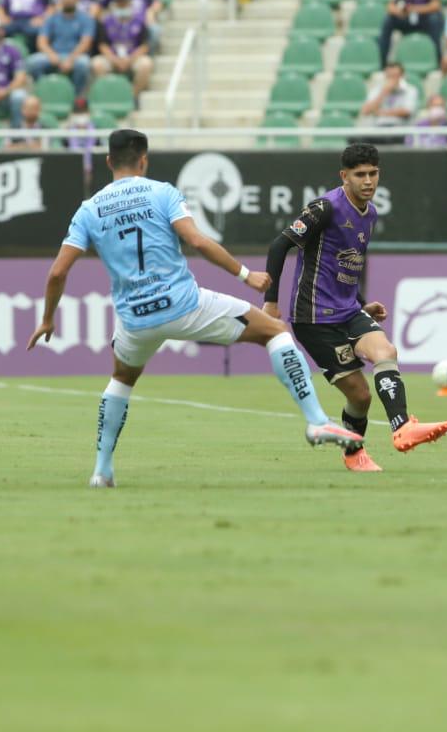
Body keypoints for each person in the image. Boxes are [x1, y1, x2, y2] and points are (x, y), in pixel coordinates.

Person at [28, 130, 360, 487]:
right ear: (144, 159)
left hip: (135, 320)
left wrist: (47, 318)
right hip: (185, 304)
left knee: (122, 379)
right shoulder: (162, 192)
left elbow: (58, 271)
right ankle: (315, 419)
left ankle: (101, 470)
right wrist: (246, 275)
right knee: (274, 331)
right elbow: (198, 240)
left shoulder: (89, 210)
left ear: (109, 162)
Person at [262, 144, 447, 473]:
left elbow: (347, 264)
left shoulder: (370, 213)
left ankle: (402, 427)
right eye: (360, 175)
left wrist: (364, 303)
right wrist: (271, 302)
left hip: (348, 310)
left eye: (373, 173)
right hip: (314, 318)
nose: (368, 181)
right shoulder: (325, 208)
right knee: (360, 397)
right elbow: (280, 245)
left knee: (385, 350)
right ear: (344, 177)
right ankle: (353, 453)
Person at [29, 0, 94, 97]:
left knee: (84, 63)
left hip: (75, 55)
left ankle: (75, 97)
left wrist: (71, 59)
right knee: (33, 63)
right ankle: (45, 93)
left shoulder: (86, 19)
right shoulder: (52, 18)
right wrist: (52, 56)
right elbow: (41, 41)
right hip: (54, 55)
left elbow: (85, 43)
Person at [358, 60, 419, 130]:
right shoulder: (377, 90)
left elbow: (406, 111)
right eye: (389, 76)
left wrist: (381, 112)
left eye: (395, 76)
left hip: (400, 129)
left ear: (402, 76)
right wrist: (383, 93)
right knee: (353, 138)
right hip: (378, 129)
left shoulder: (411, 90)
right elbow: (365, 111)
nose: (391, 79)